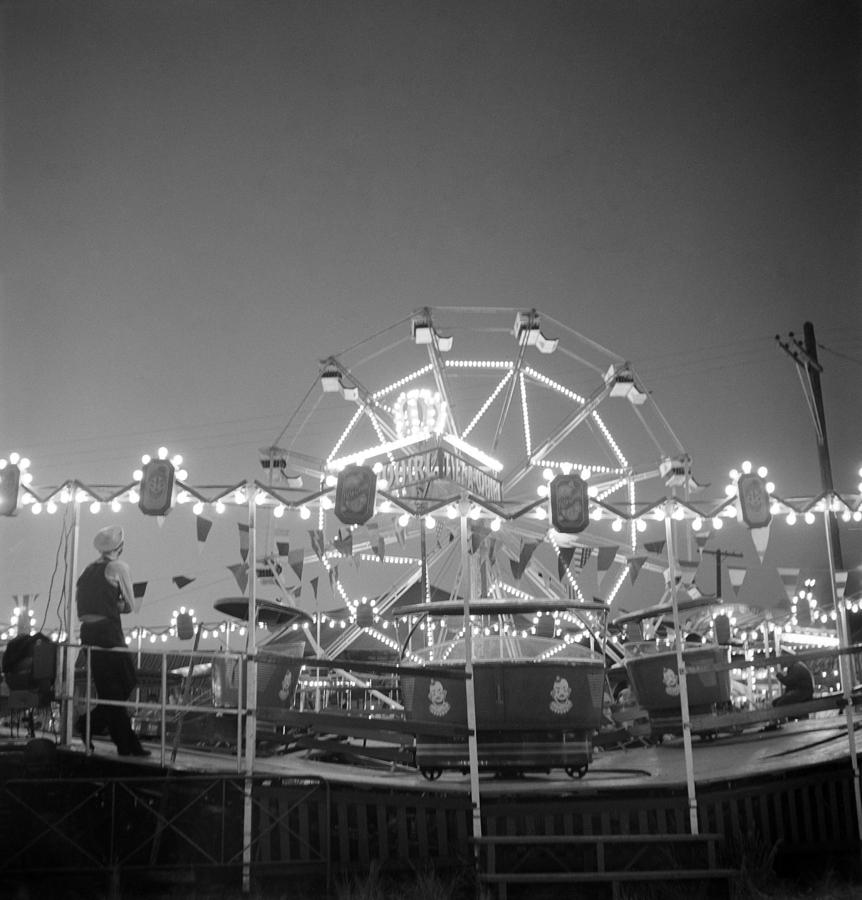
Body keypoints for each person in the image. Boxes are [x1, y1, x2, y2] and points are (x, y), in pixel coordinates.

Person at [75, 525, 150, 757]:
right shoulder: (118, 567)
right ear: (121, 547)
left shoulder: (89, 569)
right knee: (126, 681)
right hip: (108, 632)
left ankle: (120, 741)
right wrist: (119, 605)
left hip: (87, 633)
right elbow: (130, 604)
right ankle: (99, 728)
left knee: (111, 691)